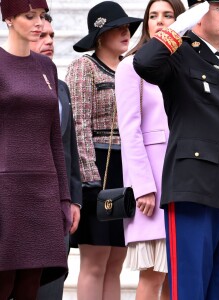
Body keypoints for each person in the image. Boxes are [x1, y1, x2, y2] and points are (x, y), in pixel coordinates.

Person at [133, 0, 219, 299]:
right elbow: (144, 62)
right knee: (189, 289)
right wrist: (180, 25)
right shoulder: (178, 54)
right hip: (193, 191)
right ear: (199, 12)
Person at [65, 2, 142, 299]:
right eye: (117, 28)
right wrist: (89, 179)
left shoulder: (132, 69)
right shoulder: (84, 67)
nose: (126, 32)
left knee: (116, 262)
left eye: (127, 27)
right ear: (100, 35)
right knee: (95, 261)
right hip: (98, 165)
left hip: (128, 167)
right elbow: (78, 124)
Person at [0, 0, 72, 299]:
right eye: (30, 17)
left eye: (41, 16)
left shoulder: (46, 67)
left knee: (31, 286)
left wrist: (64, 197)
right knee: (3, 283)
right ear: (9, 20)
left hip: (42, 191)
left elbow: (55, 138)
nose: (39, 23)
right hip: (5, 188)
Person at [115, 1, 185, 299]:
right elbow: (129, 132)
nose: (159, 21)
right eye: (153, 16)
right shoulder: (131, 66)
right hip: (153, 183)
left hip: (188, 182)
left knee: (180, 276)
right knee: (154, 275)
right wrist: (142, 186)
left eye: (167, 15)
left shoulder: (189, 63)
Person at [29, 13, 82, 300]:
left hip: (56, 205)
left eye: (51, 36)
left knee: (52, 288)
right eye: (41, 36)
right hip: (19, 203)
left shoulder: (60, 87)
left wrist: (74, 198)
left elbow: (68, 148)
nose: (49, 41)